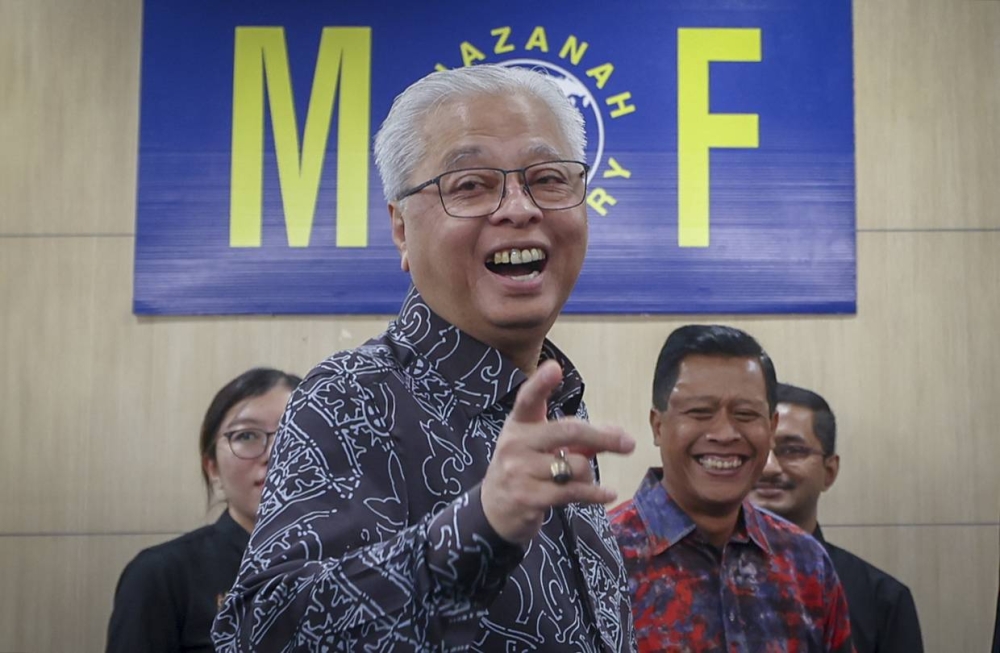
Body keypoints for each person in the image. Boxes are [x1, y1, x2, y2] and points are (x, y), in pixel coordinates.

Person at [211, 65, 636, 652]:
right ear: (401, 231)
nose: (519, 208)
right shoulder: (352, 395)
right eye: (470, 185)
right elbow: (265, 632)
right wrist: (480, 526)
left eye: (548, 178)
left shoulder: (554, 398)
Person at [610, 325, 854, 652]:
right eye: (700, 412)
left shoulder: (805, 562)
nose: (725, 433)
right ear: (658, 425)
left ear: (771, 428)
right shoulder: (600, 555)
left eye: (745, 414)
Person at [106, 367, 301, 653]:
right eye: (247, 436)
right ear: (212, 468)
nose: (273, 454)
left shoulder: (355, 567)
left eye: (294, 433)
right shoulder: (160, 574)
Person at [750, 383, 923, 653]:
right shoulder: (689, 581)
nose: (769, 467)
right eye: (757, 450)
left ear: (829, 471)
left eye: (792, 450)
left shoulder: (882, 599)